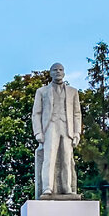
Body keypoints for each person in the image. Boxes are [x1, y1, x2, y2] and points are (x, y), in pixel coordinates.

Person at [31, 63, 82, 196]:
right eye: (55, 70)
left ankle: (67, 188)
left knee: (67, 159)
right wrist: (38, 132)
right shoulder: (42, 92)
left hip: (67, 129)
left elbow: (77, 114)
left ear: (64, 73)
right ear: (50, 73)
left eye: (60, 70)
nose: (58, 72)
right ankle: (47, 188)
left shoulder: (73, 92)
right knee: (49, 158)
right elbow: (36, 113)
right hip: (50, 127)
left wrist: (77, 134)